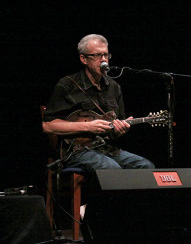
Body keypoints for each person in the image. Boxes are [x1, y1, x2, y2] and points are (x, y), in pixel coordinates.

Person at [42, 34, 154, 175]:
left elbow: (114, 131)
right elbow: (47, 126)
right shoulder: (67, 85)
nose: (103, 60)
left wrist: (119, 130)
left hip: (106, 149)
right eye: (97, 55)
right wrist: (87, 126)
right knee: (112, 169)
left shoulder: (114, 87)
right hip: (76, 151)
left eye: (106, 55)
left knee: (145, 166)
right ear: (83, 59)